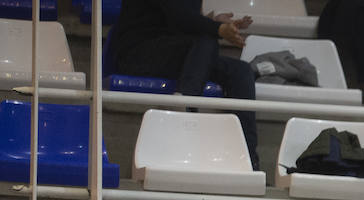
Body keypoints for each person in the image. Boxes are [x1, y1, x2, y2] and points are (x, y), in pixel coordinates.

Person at [108, 0, 261, 169]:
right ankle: (183, 108)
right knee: (206, 39)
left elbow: (181, 18)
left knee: (241, 71)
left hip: (178, 52)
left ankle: (249, 162)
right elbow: (181, 18)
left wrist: (212, 21)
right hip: (139, 53)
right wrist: (218, 28)